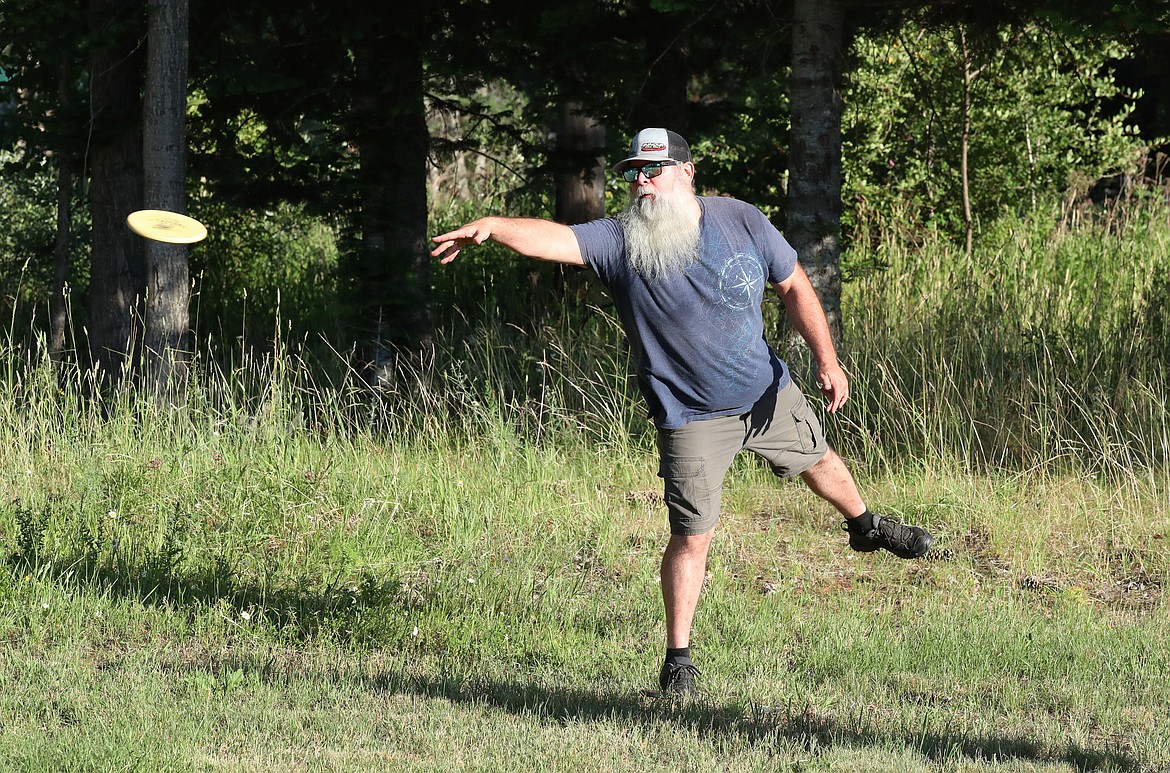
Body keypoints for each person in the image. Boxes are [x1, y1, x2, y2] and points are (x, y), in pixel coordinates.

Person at [430, 127, 934, 696]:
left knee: (818, 457)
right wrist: (494, 228)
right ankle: (678, 663)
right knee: (694, 534)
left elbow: (794, 286)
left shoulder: (741, 220)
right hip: (691, 416)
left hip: (765, 391)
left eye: (654, 170)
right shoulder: (620, 241)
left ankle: (866, 529)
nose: (642, 182)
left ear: (687, 172)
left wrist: (828, 360)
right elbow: (554, 238)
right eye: (635, 173)